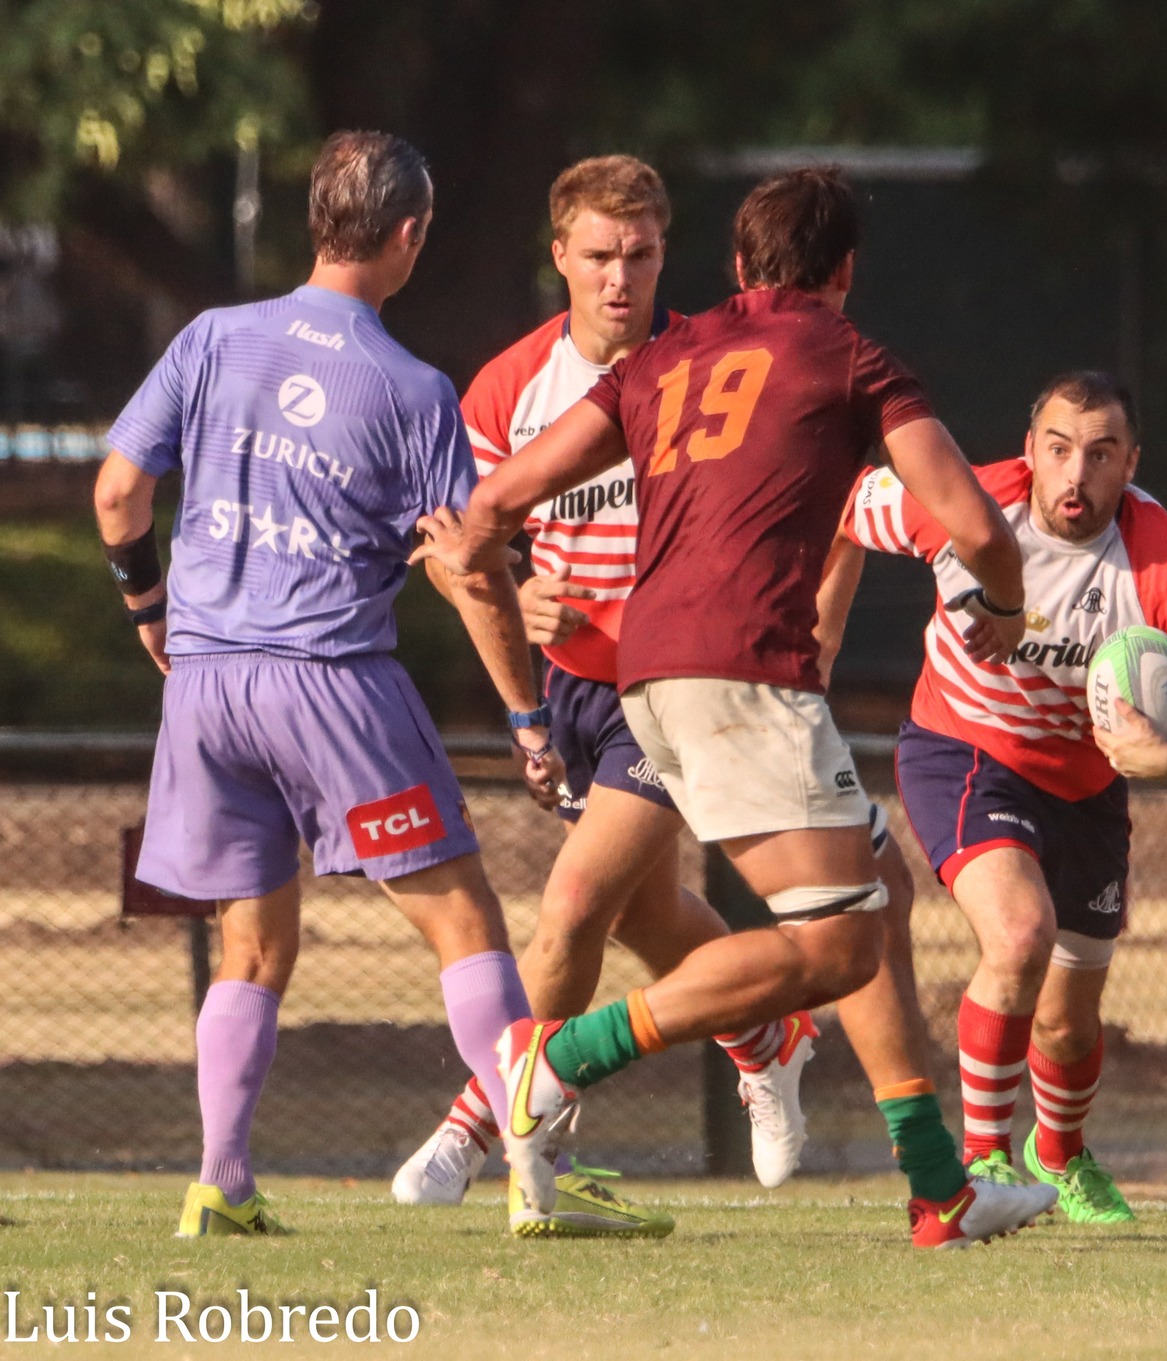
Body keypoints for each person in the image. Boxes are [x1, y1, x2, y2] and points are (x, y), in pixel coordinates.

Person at [412, 165, 1059, 1247]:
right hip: (742, 670)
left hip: (646, 675)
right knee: (839, 943)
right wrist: (1000, 607)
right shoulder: (853, 356)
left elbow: (494, 500)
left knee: (872, 898)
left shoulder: (664, 354)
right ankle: (557, 1058)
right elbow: (980, 526)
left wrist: (486, 570)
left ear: (737, 266)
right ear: (845, 271)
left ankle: (938, 1189)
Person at [93, 130, 556, 1238]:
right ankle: (539, 1178)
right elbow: (469, 569)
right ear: (407, 235)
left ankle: (220, 1176)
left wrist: (148, 610)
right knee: (466, 928)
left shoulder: (212, 339)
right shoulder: (409, 387)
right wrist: (529, 717)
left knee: (252, 946)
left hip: (205, 688)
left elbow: (118, 495)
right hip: (332, 684)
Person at [390, 155, 827, 1231]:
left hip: (674, 685)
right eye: (598, 257)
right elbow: (459, 552)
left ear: (664, 254)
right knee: (642, 908)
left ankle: (478, 1120)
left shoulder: (702, 369)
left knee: (575, 905)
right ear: (561, 259)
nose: (619, 278)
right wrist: (518, 648)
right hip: (573, 691)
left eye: (639, 256)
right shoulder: (508, 386)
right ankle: (768, 1035)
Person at [827, 371, 1167, 1223]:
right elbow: (831, 499)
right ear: (1029, 451)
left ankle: (1062, 1151)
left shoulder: (1163, 561)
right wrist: (815, 638)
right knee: (1018, 935)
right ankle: (980, 1163)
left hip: (1087, 784)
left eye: (1101, 454)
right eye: (1058, 449)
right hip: (964, 747)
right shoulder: (966, 504)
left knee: (1068, 1026)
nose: (1075, 473)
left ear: (1131, 464)